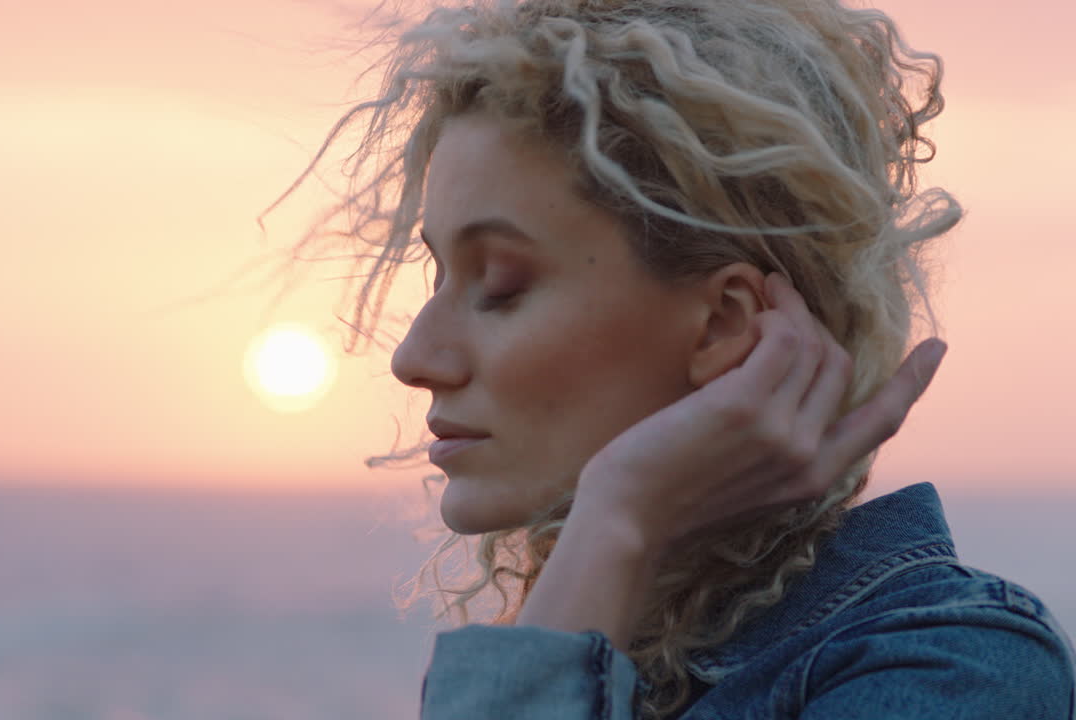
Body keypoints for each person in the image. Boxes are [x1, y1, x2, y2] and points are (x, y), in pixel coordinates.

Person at [264, 0, 1076, 717]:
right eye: (436, 275)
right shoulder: (619, 641)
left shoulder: (954, 670)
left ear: (723, 323)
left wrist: (618, 514)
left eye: (501, 285)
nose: (414, 356)